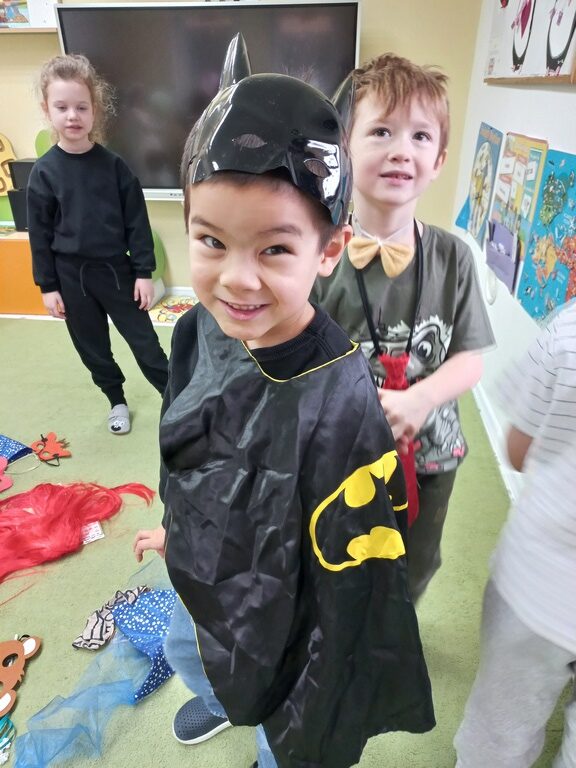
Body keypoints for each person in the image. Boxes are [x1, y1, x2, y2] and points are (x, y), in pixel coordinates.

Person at [134, 33, 434, 768]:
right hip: (207, 571)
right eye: (211, 242)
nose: (237, 280)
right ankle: (219, 694)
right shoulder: (201, 328)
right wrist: (181, 531)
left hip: (291, 610)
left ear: (327, 251)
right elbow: (185, 441)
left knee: (294, 721)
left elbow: (351, 586)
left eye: (273, 249)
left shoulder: (339, 397)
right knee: (188, 645)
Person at [312, 53, 495, 601]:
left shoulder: (454, 256)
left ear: (438, 160)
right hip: (341, 453)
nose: (401, 150)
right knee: (337, 554)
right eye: (381, 131)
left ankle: (397, 629)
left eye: (420, 136)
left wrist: (421, 399)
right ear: (346, 147)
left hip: (431, 451)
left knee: (415, 561)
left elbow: (470, 358)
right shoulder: (319, 255)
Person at [454, 299, 576, 768]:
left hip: (538, 587)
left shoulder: (566, 328)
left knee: (499, 730)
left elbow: (518, 451)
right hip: (539, 583)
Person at [27, 54, 169, 435]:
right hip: (70, 277)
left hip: (116, 271)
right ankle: (116, 400)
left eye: (81, 107)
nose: (72, 116)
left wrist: (143, 273)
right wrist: (48, 287)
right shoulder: (43, 174)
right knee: (92, 347)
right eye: (62, 107)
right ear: (47, 110)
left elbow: (137, 222)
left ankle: (175, 398)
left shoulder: (115, 167)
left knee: (145, 342)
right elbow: (39, 236)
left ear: (94, 111)